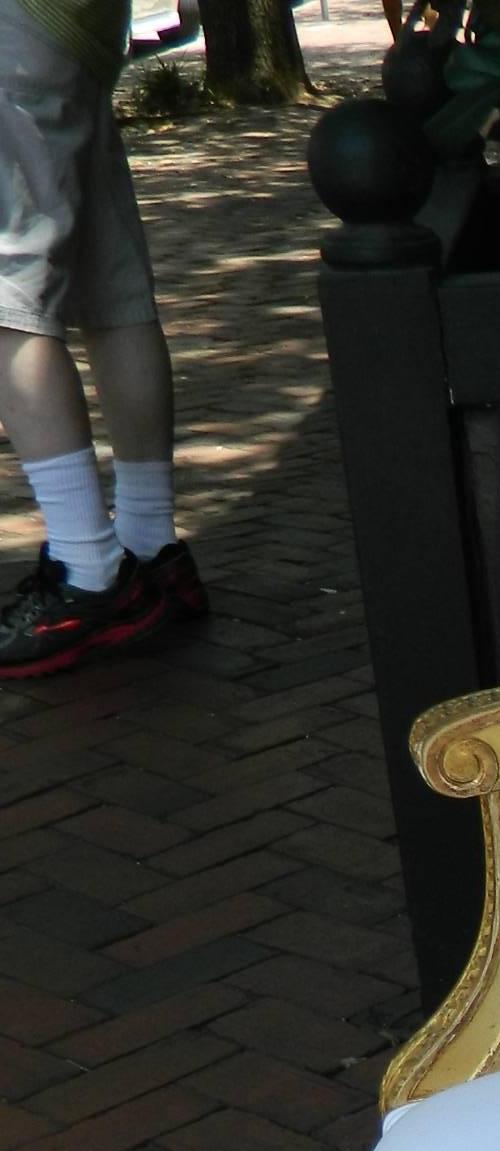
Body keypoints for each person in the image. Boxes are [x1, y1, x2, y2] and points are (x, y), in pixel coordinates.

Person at [0, 0, 205, 675]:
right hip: (80, 22)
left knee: (7, 295)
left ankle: (89, 575)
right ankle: (148, 547)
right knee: (109, 284)